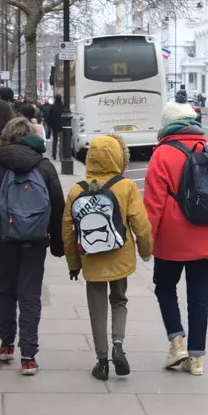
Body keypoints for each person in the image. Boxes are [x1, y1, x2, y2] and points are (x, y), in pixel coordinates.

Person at [0, 116, 64, 375]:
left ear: (6, 138)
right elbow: (58, 208)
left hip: (3, 239)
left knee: (5, 290)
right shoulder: (44, 167)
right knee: (30, 295)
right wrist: (58, 244)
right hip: (35, 240)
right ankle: (29, 356)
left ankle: (7, 344)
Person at [143, 102, 208, 375]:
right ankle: (196, 360)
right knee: (200, 297)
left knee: (164, 287)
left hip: (172, 239)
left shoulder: (162, 154)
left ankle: (176, 342)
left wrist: (147, 240)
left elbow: (153, 204)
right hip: (207, 237)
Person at [63, 134, 153, 381]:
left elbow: (68, 232)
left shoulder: (76, 190)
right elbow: (141, 225)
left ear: (90, 158)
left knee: (96, 307)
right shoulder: (126, 187)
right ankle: (118, 345)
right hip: (119, 255)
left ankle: (102, 361)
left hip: (90, 258)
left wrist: (73, 264)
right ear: (118, 157)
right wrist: (145, 251)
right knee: (119, 300)